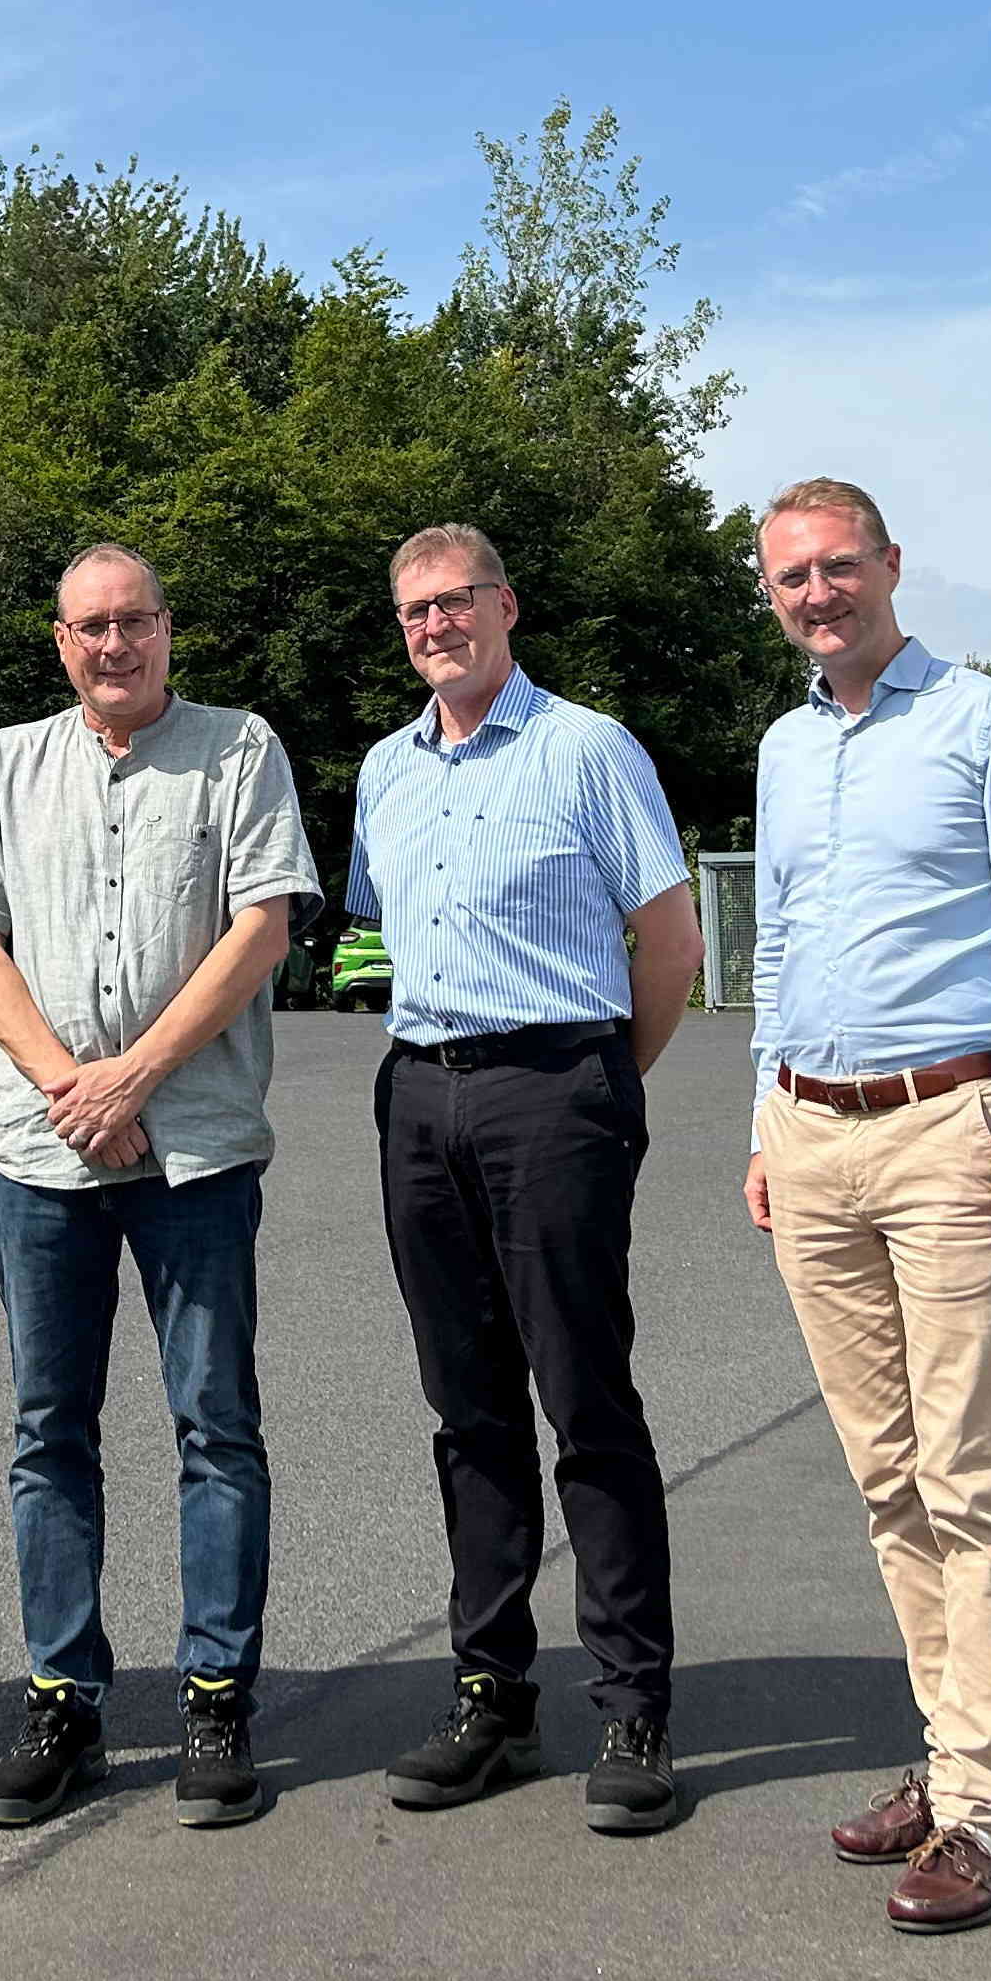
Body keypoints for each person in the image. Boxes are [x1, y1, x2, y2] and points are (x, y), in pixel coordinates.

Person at [743, 477, 991, 1935]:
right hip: (809, 1132)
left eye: (837, 567)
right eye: (789, 578)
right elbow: (781, 932)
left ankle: (987, 1807)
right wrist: (763, 1106)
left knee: (970, 1476)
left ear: (890, 565)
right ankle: (946, 1763)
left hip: (952, 1126)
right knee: (886, 1474)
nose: (817, 593)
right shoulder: (782, 745)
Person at [0, 545, 319, 1829]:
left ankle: (216, 1701)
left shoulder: (240, 750)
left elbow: (262, 925)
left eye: (135, 622)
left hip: (194, 1148)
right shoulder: (4, 763)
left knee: (216, 1425)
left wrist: (132, 1079)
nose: (115, 646)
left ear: (167, 628)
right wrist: (65, 1086)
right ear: (60, 641)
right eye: (91, 627)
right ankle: (65, 1701)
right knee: (51, 1434)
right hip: (47, 1159)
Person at [345, 521, 696, 1836]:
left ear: (507, 604)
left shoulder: (587, 750)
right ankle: (492, 1688)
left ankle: (633, 1703)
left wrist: (602, 1085)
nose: (439, 626)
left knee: (585, 1400)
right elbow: (385, 931)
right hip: (420, 1090)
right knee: (467, 1408)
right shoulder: (386, 770)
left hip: (557, 1086)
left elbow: (669, 942)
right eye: (416, 611)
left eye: (459, 601)